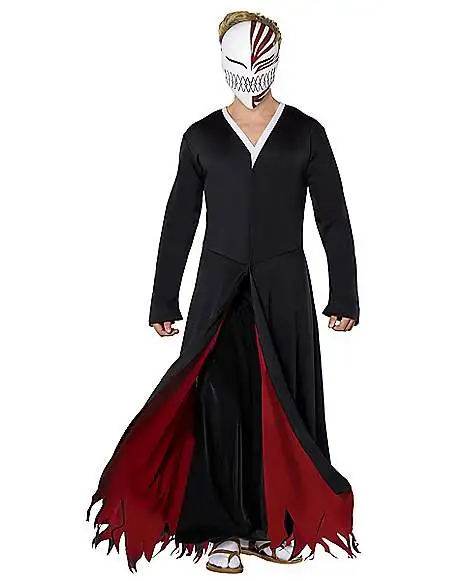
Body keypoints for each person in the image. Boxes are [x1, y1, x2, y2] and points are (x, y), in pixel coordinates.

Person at [87, 10, 360, 574]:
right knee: (220, 403)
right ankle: (224, 530)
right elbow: (180, 220)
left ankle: (277, 523)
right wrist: (164, 297)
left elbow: (333, 218)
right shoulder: (203, 137)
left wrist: (345, 294)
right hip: (219, 289)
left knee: (286, 404)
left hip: (285, 288)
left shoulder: (306, 133)